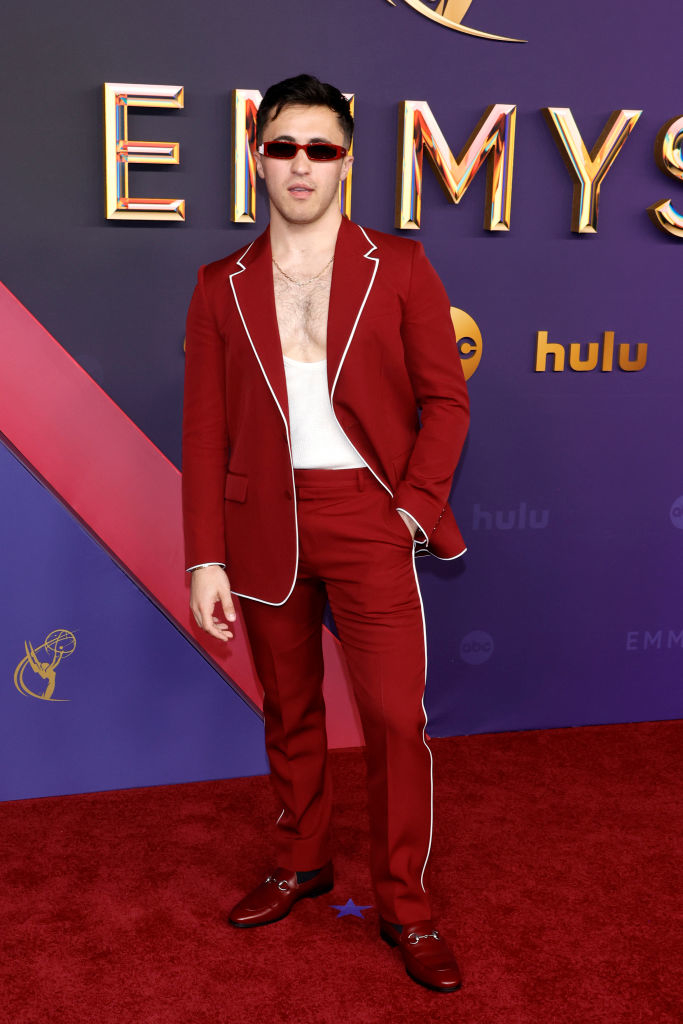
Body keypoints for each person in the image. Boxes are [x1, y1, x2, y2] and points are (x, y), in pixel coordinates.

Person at [182, 73, 470, 993]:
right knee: (289, 706)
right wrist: (204, 554)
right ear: (257, 157)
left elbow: (445, 401)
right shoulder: (219, 284)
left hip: (367, 513)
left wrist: (410, 508)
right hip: (259, 514)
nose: (299, 164)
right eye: (282, 147)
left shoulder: (404, 265)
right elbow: (202, 428)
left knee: (394, 718)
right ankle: (301, 862)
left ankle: (407, 908)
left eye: (320, 148)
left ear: (347, 160)